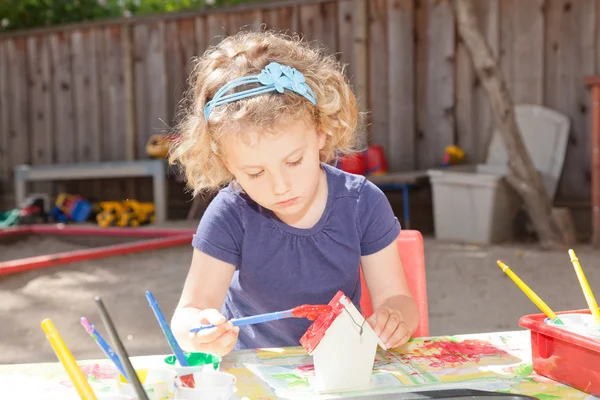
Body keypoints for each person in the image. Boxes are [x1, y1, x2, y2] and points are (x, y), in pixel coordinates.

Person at [169, 30, 419, 357]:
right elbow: (188, 314)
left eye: (294, 161)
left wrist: (396, 318)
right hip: (253, 373)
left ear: (319, 133)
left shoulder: (363, 203)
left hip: (341, 367)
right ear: (228, 163)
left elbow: (398, 300)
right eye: (255, 173)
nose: (280, 186)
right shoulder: (230, 214)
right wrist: (198, 330)